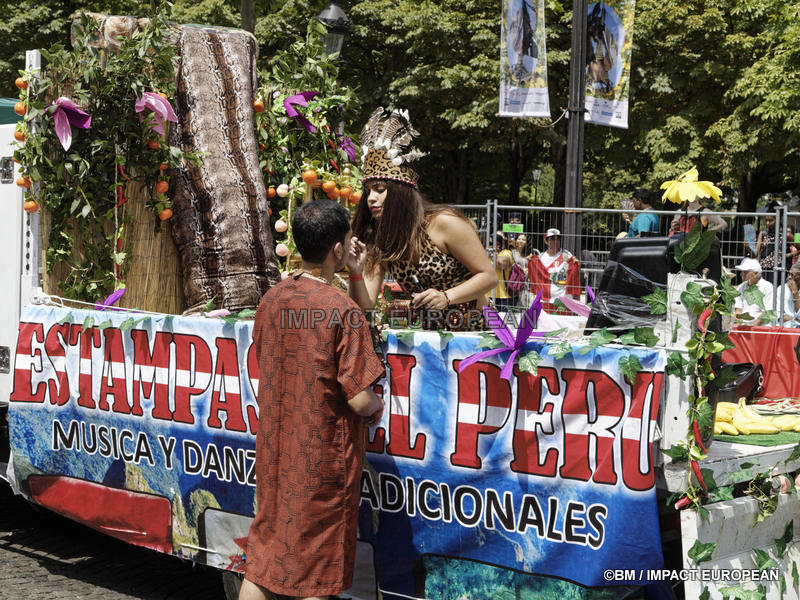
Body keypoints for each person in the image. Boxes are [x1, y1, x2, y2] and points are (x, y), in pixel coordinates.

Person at [241, 200, 386, 600]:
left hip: (275, 451)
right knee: (315, 575)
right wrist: (377, 406)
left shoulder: (272, 299)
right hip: (323, 459)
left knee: (265, 557)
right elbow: (358, 399)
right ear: (338, 250)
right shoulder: (342, 310)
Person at [349, 108, 497, 330]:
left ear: (400, 193)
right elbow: (366, 305)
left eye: (379, 189)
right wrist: (355, 272)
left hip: (475, 333)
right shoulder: (381, 238)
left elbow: (489, 276)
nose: (371, 198)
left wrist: (446, 297)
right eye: (368, 191)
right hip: (425, 338)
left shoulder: (444, 223)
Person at [527, 228, 580, 312]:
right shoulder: (541, 257)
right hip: (544, 300)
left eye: (557, 239)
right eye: (552, 239)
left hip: (562, 301)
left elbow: (573, 276)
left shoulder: (566, 255)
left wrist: (575, 265)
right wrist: (531, 262)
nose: (555, 241)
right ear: (546, 241)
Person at [734, 257, 774, 326]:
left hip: (762, 328)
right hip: (745, 327)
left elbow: (767, 312)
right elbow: (738, 310)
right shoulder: (740, 287)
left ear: (755, 273)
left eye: (745, 272)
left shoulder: (768, 287)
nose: (741, 274)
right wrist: (740, 326)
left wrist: (752, 327)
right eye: (742, 272)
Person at [755, 214, 777, 284]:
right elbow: (756, 251)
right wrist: (749, 247)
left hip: (779, 268)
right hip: (764, 268)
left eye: (770, 220)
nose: (767, 223)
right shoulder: (763, 233)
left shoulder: (786, 233)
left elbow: (797, 243)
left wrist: (789, 255)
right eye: (766, 220)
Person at [780, 262, 800, 327]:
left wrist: (795, 294)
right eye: (788, 274)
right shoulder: (781, 289)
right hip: (785, 327)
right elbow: (776, 315)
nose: (789, 277)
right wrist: (794, 319)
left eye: (792, 275)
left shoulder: (795, 292)